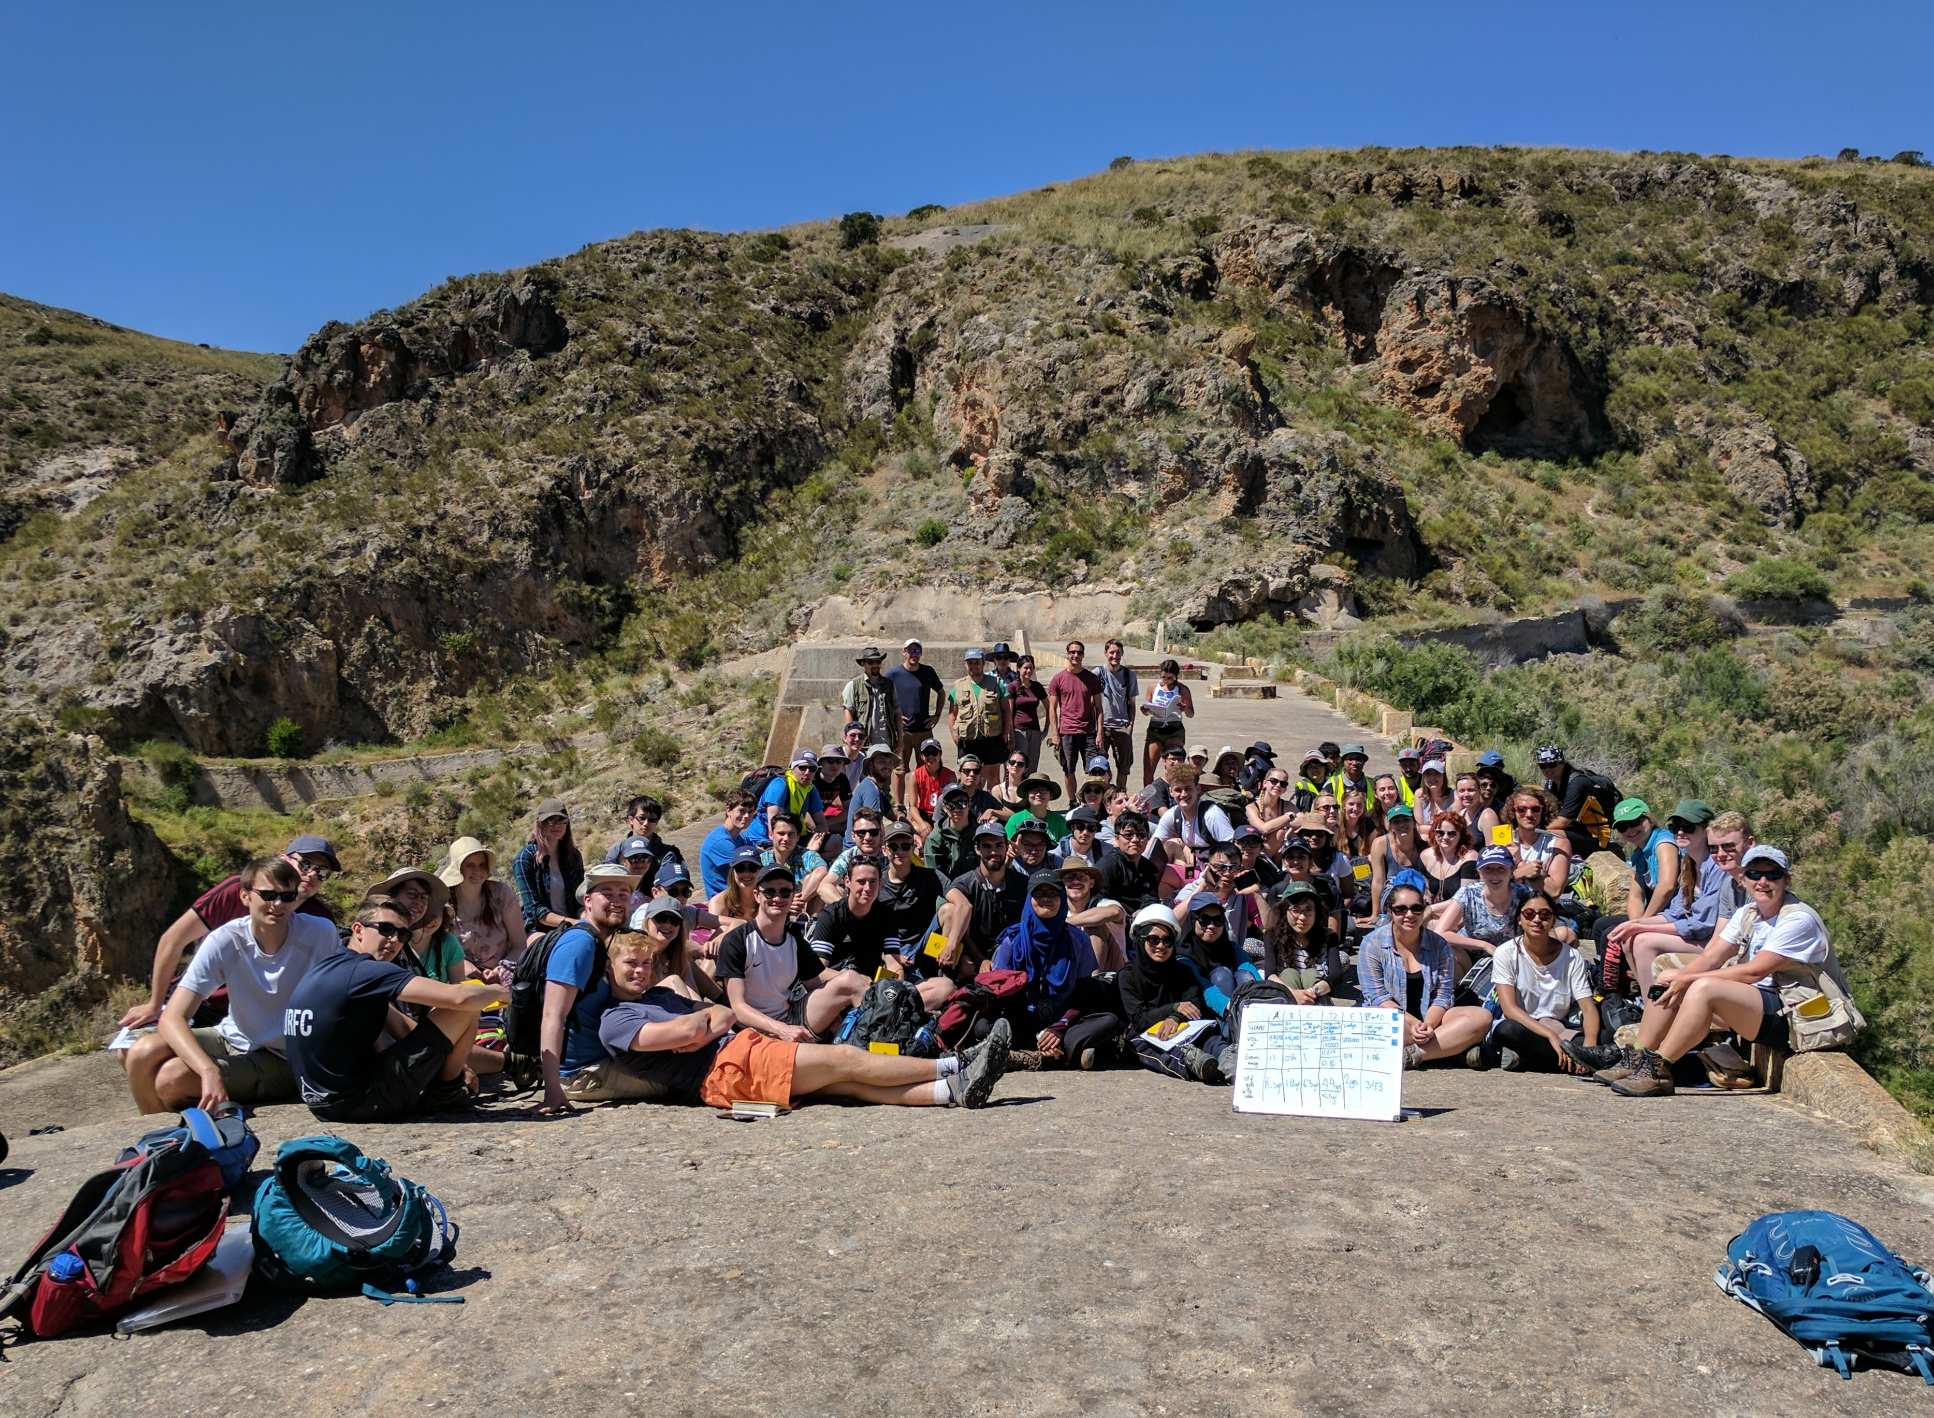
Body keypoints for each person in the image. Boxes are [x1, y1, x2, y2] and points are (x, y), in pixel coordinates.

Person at [595, 930, 1011, 1111]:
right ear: (608, 969)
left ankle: (951, 1092)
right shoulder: (616, 1020)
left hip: (738, 1056)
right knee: (847, 1059)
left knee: (850, 1084)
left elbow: (719, 1014)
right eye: (631, 964)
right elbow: (696, 1027)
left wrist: (710, 1020)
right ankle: (957, 1065)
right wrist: (707, 1021)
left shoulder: (659, 995)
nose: (641, 971)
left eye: (647, 963)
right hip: (726, 1069)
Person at [1586, 846, 1843, 1098]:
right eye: (1754, 874)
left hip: (1794, 1014)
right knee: (1667, 979)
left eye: (1772, 875)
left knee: (1703, 988)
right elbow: (1711, 956)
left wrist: (1687, 978)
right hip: (1759, 1002)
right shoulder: (1749, 913)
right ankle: (1639, 1056)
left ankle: (1659, 1070)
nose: (1763, 881)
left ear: (1786, 880)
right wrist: (1677, 977)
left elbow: (1754, 972)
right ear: (1743, 879)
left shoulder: (1798, 919)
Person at [124, 856, 342, 1113]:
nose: (278, 904)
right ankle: (158, 1137)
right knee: (141, 1052)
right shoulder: (227, 939)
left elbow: (341, 993)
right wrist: (208, 1070)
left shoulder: (319, 933)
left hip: (283, 1055)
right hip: (234, 1036)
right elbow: (173, 1017)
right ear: (245, 896)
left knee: (172, 1078)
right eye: (268, 895)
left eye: (287, 896)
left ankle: (181, 1138)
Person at [283, 895, 501, 1120]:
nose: (394, 940)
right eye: (385, 929)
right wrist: (507, 993)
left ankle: (502, 1066)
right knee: (469, 1005)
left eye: (402, 934)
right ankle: (449, 1091)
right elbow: (459, 998)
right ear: (358, 930)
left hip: (322, 1103)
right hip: (358, 1102)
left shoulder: (333, 967)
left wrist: (460, 1063)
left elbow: (404, 1029)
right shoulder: (366, 971)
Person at [120, 834, 341, 1029]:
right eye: (305, 864)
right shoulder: (237, 890)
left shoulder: (319, 921)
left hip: (255, 1018)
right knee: (133, 1049)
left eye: (321, 872)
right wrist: (155, 1004)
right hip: (199, 1001)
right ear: (284, 858)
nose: (312, 874)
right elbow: (173, 939)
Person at [532, 863, 643, 1114]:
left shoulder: (608, 941)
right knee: (682, 1076)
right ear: (588, 900)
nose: (616, 900)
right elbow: (552, 1015)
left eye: (623, 894)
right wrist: (552, 1090)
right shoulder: (580, 943)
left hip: (604, 1060)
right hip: (584, 1073)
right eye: (607, 893)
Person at [716, 863, 868, 1042]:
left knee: (853, 980)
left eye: (785, 892)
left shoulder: (794, 938)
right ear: (757, 895)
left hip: (791, 1016)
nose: (777, 898)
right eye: (770, 892)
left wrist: (863, 983)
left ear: (792, 896)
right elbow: (738, 1008)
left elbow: (814, 981)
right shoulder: (737, 941)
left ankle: (876, 1039)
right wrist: (782, 1029)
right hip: (756, 1029)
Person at [1356, 881, 1493, 1068]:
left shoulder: (1440, 945)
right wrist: (1413, 1023)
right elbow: (1377, 996)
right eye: (1400, 909)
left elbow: (1443, 995)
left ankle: (1413, 1055)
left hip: (1433, 1019)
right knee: (1368, 1025)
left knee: (1481, 1017)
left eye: (1416, 908)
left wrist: (1427, 1024)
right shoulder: (1372, 944)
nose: (1409, 915)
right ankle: (1448, 1049)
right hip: (1396, 1020)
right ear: (1390, 911)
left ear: (1424, 910)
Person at [993, 872, 1122, 1070]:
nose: (1046, 899)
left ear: (1061, 898)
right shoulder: (1013, 941)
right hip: (1023, 1018)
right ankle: (1065, 1053)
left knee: (1110, 1020)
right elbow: (1000, 993)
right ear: (1029, 899)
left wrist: (1059, 1027)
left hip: (1063, 1020)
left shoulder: (1077, 940)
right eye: (1039, 894)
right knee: (986, 1025)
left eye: (1052, 893)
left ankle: (1033, 1054)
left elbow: (1084, 995)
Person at [1602, 799, 1727, 995]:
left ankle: (1653, 1007)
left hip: (1712, 942)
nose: (1679, 832)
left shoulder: (1715, 867)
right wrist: (1635, 924)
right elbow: (1676, 909)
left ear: (1707, 830)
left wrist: (1641, 925)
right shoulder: (1689, 863)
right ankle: (1645, 1000)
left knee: (1643, 941)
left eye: (1688, 827)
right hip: (1697, 932)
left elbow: (1702, 924)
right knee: (1626, 936)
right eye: (1675, 827)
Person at [1473, 890, 1600, 1073]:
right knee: (1507, 1031)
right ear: (1519, 918)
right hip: (1523, 1025)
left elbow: (1588, 1007)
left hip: (1557, 1027)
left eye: (1545, 915)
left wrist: (1589, 1049)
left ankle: (1527, 1058)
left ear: (1554, 920)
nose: (1537, 920)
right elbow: (1510, 1009)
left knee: (1596, 1039)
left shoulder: (1571, 956)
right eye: (1529, 914)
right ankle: (1557, 1060)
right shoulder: (1506, 953)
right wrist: (1549, 1035)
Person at [1118, 904, 1227, 1083]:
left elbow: (1193, 1004)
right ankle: (1194, 1063)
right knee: (1142, 1045)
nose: (1161, 946)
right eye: (1154, 940)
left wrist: (1175, 1018)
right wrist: (1175, 1008)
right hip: (1146, 1034)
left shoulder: (1182, 970)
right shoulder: (1127, 976)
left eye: (1167, 940)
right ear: (1140, 940)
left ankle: (1229, 1058)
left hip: (1182, 1027)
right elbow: (1138, 1019)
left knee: (1210, 1037)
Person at [935, 822, 1029, 980]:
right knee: (950, 910)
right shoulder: (965, 883)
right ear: (977, 849)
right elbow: (964, 932)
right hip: (974, 954)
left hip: (1011, 951)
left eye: (999, 845)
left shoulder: (1022, 883)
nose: (993, 852)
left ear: (1007, 847)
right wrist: (981, 959)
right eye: (986, 846)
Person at [439, 835, 524, 983]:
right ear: (458, 869)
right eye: (470, 865)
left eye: (482, 865)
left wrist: (503, 969)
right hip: (462, 977)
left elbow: (519, 944)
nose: (477, 871)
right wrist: (467, 968)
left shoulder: (501, 894)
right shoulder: (444, 905)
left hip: (506, 972)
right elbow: (440, 951)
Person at [1430, 846, 1529, 972]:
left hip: (1513, 958)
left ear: (1511, 871)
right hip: (1471, 957)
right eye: (1488, 869)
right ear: (1479, 872)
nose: (1495, 875)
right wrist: (1485, 946)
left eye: (1501, 868)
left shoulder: (1524, 895)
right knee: (1448, 953)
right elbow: (1441, 932)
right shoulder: (1468, 893)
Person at [1264, 879, 1356, 1004]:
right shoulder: (1272, 936)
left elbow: (1336, 975)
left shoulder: (1329, 936)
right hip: (1287, 991)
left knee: (1311, 974)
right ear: (1285, 911)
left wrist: (1310, 993)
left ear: (1316, 912)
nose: (1302, 917)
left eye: (1308, 910)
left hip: (1317, 992)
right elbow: (1270, 975)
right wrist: (1294, 994)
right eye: (1296, 910)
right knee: (1289, 973)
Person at [874, 819, 948, 972]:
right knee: (893, 988)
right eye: (893, 847)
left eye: (906, 846)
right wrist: (887, 955)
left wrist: (951, 944)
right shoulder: (875, 884)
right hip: (892, 951)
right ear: (884, 850)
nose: (899, 851)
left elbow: (961, 904)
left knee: (950, 910)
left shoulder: (930, 876)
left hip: (925, 947)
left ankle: (940, 968)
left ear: (914, 847)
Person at [366, 865, 461, 983]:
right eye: (411, 894)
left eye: (424, 898)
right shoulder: (376, 931)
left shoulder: (403, 939)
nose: (419, 902)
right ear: (392, 896)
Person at [511, 798, 585, 945]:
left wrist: (585, 918)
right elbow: (535, 911)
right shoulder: (524, 859)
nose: (557, 825)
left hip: (573, 923)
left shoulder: (574, 856)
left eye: (561, 820)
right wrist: (575, 923)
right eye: (551, 820)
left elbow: (579, 899)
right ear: (540, 824)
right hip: (539, 930)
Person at [885, 640, 946, 811]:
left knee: (926, 769)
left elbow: (941, 692)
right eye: (910, 650)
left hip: (924, 732)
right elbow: (883, 695)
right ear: (903, 652)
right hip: (901, 732)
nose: (914, 654)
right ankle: (898, 806)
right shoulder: (893, 674)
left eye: (917, 650)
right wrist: (893, 716)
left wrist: (937, 715)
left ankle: (922, 804)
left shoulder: (927, 672)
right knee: (899, 770)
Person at [1538, 745, 1621, 862]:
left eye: (1552, 764)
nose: (1547, 769)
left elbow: (1563, 821)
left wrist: (1533, 830)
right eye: (1542, 766)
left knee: (1548, 834)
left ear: (1562, 763)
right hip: (1575, 832)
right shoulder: (1551, 784)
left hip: (1595, 838)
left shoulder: (1577, 784)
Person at [1045, 640, 1103, 802]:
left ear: (1083, 655)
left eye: (1079, 652)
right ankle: (1072, 802)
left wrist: (1100, 733)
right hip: (1067, 732)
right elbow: (1052, 709)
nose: (1075, 655)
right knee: (1068, 770)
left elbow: (1099, 708)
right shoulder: (1058, 679)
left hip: (1088, 732)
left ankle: (1090, 802)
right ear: (1068, 654)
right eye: (1072, 652)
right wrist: (1055, 734)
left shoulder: (1091, 679)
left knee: (1094, 770)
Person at [1148, 765, 1235, 869]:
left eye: (1188, 789)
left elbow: (1233, 850)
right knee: (1167, 859)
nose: (1183, 794)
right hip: (1196, 868)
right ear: (1171, 792)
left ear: (1197, 789)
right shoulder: (1172, 814)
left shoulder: (1212, 814)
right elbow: (1153, 845)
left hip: (1219, 870)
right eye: (1178, 790)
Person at [1500, 788, 1572, 897]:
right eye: (1521, 809)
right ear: (1513, 811)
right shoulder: (1503, 839)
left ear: (1543, 811)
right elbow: (1489, 882)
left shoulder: (1558, 843)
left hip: (1539, 909)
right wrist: (1520, 872)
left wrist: (1521, 864)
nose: (1529, 814)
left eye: (1535, 809)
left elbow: (1555, 891)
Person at [1060, 857, 1127, 971]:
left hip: (1111, 974)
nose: (1075, 881)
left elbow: (1115, 912)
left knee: (1094, 926)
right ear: (1062, 885)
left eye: (1081, 877)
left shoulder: (1105, 904)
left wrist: (1065, 922)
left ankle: (1093, 979)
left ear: (1091, 883)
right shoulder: (1059, 911)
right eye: (1070, 878)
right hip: (1072, 971)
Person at [1363, 804, 1424, 925]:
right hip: (1392, 904)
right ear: (1390, 827)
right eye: (1396, 822)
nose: (1402, 825)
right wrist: (1375, 914)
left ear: (1413, 822)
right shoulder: (1380, 843)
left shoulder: (1423, 845)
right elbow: (1378, 881)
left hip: (1418, 903)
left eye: (1406, 820)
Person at [948, 647, 1011, 766]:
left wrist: (1005, 734)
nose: (973, 666)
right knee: (969, 776)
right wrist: (954, 735)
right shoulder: (958, 686)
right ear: (965, 665)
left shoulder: (997, 683)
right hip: (967, 740)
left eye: (977, 662)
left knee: (993, 776)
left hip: (992, 738)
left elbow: (1006, 710)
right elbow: (952, 714)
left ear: (983, 663)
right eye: (970, 663)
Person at [749, 749, 825, 846]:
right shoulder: (779, 785)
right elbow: (774, 826)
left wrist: (817, 841)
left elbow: (822, 824)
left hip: (793, 837)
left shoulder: (810, 789)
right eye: (802, 767)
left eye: (812, 769)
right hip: (764, 838)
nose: (807, 772)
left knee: (834, 842)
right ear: (792, 768)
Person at [761, 813, 829, 917]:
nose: (786, 839)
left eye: (791, 834)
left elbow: (822, 871)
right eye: (781, 833)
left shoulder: (806, 855)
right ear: (771, 834)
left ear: (798, 837)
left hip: (799, 909)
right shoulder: (762, 860)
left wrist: (797, 901)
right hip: (771, 908)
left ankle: (807, 926)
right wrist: (786, 903)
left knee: (818, 883)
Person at [1140, 659, 1193, 787]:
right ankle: (1149, 799)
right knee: (1148, 770)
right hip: (1156, 729)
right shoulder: (1153, 687)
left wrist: (1184, 707)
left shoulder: (1182, 689)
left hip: (1174, 730)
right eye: (1163, 677)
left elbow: (1191, 714)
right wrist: (1145, 710)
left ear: (1175, 676)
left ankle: (1175, 794)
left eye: (1170, 678)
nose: (1166, 681)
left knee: (1175, 768)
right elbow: (1147, 707)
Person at [1094, 639, 1140, 787]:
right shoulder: (1097, 673)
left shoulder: (1129, 675)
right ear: (1105, 653)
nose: (1115, 656)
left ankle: (1120, 797)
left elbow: (1132, 704)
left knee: (1124, 767)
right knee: (1099, 768)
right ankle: (1103, 798)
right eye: (1112, 652)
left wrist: (1131, 726)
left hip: (1122, 727)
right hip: (1102, 728)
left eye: (1118, 652)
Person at [1101, 811, 1164, 915]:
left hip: (1141, 919)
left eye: (1141, 835)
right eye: (1128, 835)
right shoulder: (1109, 865)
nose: (1135, 839)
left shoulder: (1148, 867)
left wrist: (1143, 911)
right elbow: (1098, 899)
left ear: (1148, 839)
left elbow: (1151, 897)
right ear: (1117, 839)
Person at [698, 790, 757, 896]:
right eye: (742, 811)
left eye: (750, 811)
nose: (747, 816)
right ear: (728, 810)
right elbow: (751, 870)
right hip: (726, 902)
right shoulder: (721, 842)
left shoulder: (739, 838)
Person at [602, 795, 682, 867]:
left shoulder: (668, 853)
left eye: (652, 819)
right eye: (642, 818)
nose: (646, 823)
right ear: (630, 820)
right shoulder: (617, 851)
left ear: (657, 822)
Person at [1419, 810, 1478, 904]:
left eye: (1451, 833)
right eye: (1440, 833)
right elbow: (1426, 893)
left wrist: (1431, 910)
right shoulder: (1426, 856)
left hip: (1460, 913)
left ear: (1461, 835)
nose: (1445, 837)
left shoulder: (1470, 858)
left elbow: (1465, 900)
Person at [845, 744, 897, 849]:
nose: (887, 766)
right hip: (858, 848)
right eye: (881, 762)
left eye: (890, 762)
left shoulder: (877, 789)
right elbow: (875, 826)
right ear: (870, 765)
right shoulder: (871, 790)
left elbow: (893, 815)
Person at [841, 646, 893, 748]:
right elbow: (848, 712)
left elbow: (897, 711)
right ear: (863, 664)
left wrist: (900, 740)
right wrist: (851, 739)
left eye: (877, 662)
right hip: (863, 743)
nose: (875, 665)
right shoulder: (853, 685)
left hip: (886, 742)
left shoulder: (889, 685)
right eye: (870, 662)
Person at [907, 739, 955, 842]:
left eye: (934, 753)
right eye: (927, 753)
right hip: (924, 814)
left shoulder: (950, 775)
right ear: (922, 756)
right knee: (921, 830)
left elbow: (953, 801)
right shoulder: (915, 775)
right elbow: (912, 807)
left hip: (943, 814)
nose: (930, 756)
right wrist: (922, 823)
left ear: (940, 754)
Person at [926, 784, 977, 880]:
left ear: (969, 805)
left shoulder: (979, 834)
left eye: (962, 803)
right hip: (948, 890)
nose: (957, 809)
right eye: (951, 805)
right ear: (944, 808)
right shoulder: (935, 839)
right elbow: (934, 876)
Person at [708, 844, 764, 931]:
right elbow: (715, 940)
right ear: (732, 872)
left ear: (760, 871)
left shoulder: (768, 898)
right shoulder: (719, 902)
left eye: (752, 868)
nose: (746, 873)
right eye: (740, 868)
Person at [1008, 654, 1048, 772]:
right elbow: (1009, 712)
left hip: (1035, 731)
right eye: (1025, 668)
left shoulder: (1037, 687)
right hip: (1019, 732)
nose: (1028, 671)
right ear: (1018, 669)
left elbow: (1049, 706)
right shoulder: (1013, 687)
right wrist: (1010, 734)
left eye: (1031, 668)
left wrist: (1046, 729)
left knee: (1032, 767)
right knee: (1019, 766)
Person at [1005, 772, 1070, 843]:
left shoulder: (1059, 821)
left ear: (1050, 795)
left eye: (1043, 790)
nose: (1038, 794)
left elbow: (1067, 845)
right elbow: (1007, 844)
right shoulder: (1015, 820)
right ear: (1027, 795)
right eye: (1033, 790)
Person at [1248, 763, 1298, 852]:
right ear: (1264, 783)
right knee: (1280, 833)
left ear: (1285, 789)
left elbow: (1302, 820)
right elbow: (1264, 829)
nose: (1278, 785)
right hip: (1257, 853)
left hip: (1281, 854)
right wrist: (1288, 817)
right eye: (1274, 781)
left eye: (1283, 784)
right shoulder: (1252, 807)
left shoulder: (1288, 806)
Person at [810, 745, 854, 844]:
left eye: (838, 762)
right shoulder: (812, 777)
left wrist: (826, 824)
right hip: (809, 819)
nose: (835, 765)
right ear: (821, 763)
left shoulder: (842, 779)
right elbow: (803, 811)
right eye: (830, 761)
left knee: (852, 825)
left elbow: (850, 809)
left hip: (826, 820)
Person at [1412, 761, 1453, 827]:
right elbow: (1419, 827)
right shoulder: (1419, 794)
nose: (1432, 777)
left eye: (1437, 773)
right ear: (1423, 778)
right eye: (1428, 774)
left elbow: (1456, 827)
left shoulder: (1454, 796)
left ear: (1444, 776)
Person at [993, 748, 1030, 813]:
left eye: (1020, 764)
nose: (1015, 765)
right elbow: (998, 813)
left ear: (1025, 769)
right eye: (1012, 762)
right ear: (1007, 765)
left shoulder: (1030, 789)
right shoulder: (997, 790)